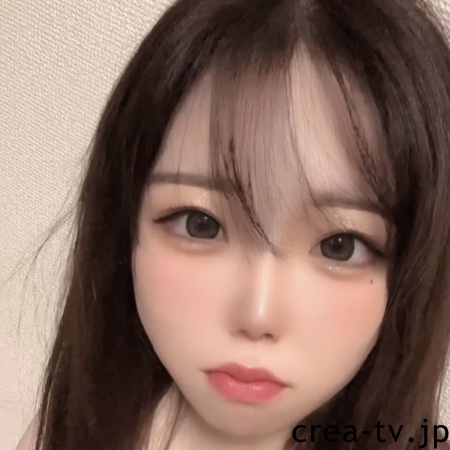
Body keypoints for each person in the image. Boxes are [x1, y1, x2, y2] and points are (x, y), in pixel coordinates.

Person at [15, 0, 450, 449]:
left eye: (340, 245)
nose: (257, 315)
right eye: (199, 224)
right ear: (124, 226)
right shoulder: (63, 431)